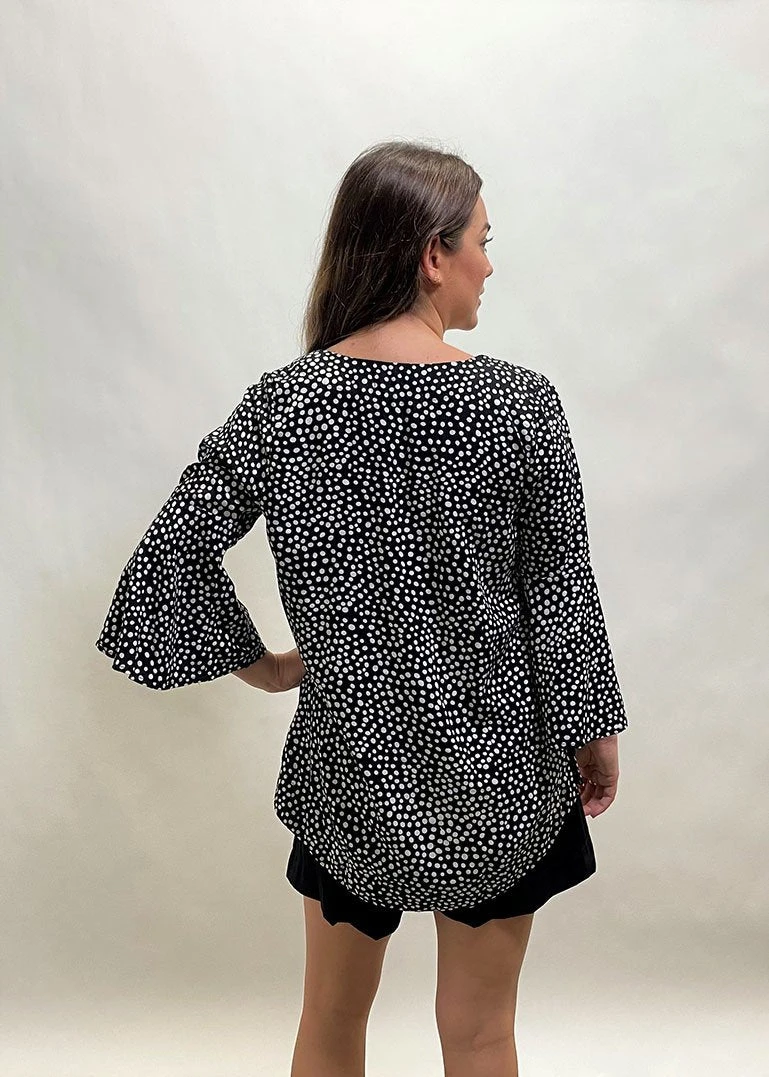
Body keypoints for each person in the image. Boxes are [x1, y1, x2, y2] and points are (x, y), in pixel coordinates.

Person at [95, 139, 628, 1077]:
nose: (489, 264)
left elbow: (166, 561)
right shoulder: (519, 405)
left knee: (331, 1020)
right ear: (432, 255)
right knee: (480, 1034)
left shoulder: (285, 405)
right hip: (499, 776)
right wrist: (593, 732)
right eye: (482, 241)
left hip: (351, 773)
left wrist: (265, 666)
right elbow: (559, 591)